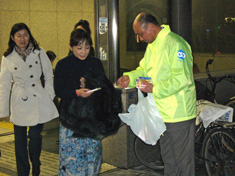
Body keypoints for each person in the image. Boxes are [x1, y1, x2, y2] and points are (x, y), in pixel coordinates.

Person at [117, 13, 197, 176]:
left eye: (140, 34)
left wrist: (154, 88)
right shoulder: (153, 47)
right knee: (169, 159)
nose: (139, 39)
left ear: (151, 27)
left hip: (178, 114)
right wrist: (130, 78)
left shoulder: (175, 44)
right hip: (162, 113)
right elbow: (144, 70)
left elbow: (182, 79)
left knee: (183, 162)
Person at [54, 28, 121, 176]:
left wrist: (91, 84)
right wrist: (76, 92)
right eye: (79, 48)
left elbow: (104, 87)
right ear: (71, 47)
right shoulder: (63, 65)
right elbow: (58, 90)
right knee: (71, 161)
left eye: (87, 47)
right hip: (71, 121)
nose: (83, 51)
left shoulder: (95, 63)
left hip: (92, 120)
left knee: (92, 159)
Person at [0, 23, 59, 176]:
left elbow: (48, 75)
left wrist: (49, 95)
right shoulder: (8, 58)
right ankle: (23, 172)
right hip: (19, 99)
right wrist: (3, 110)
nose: (22, 38)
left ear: (29, 35)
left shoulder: (39, 52)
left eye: (25, 35)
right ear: (12, 38)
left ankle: (36, 162)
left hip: (38, 98)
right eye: (18, 35)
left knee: (34, 136)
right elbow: (4, 85)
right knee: (19, 141)